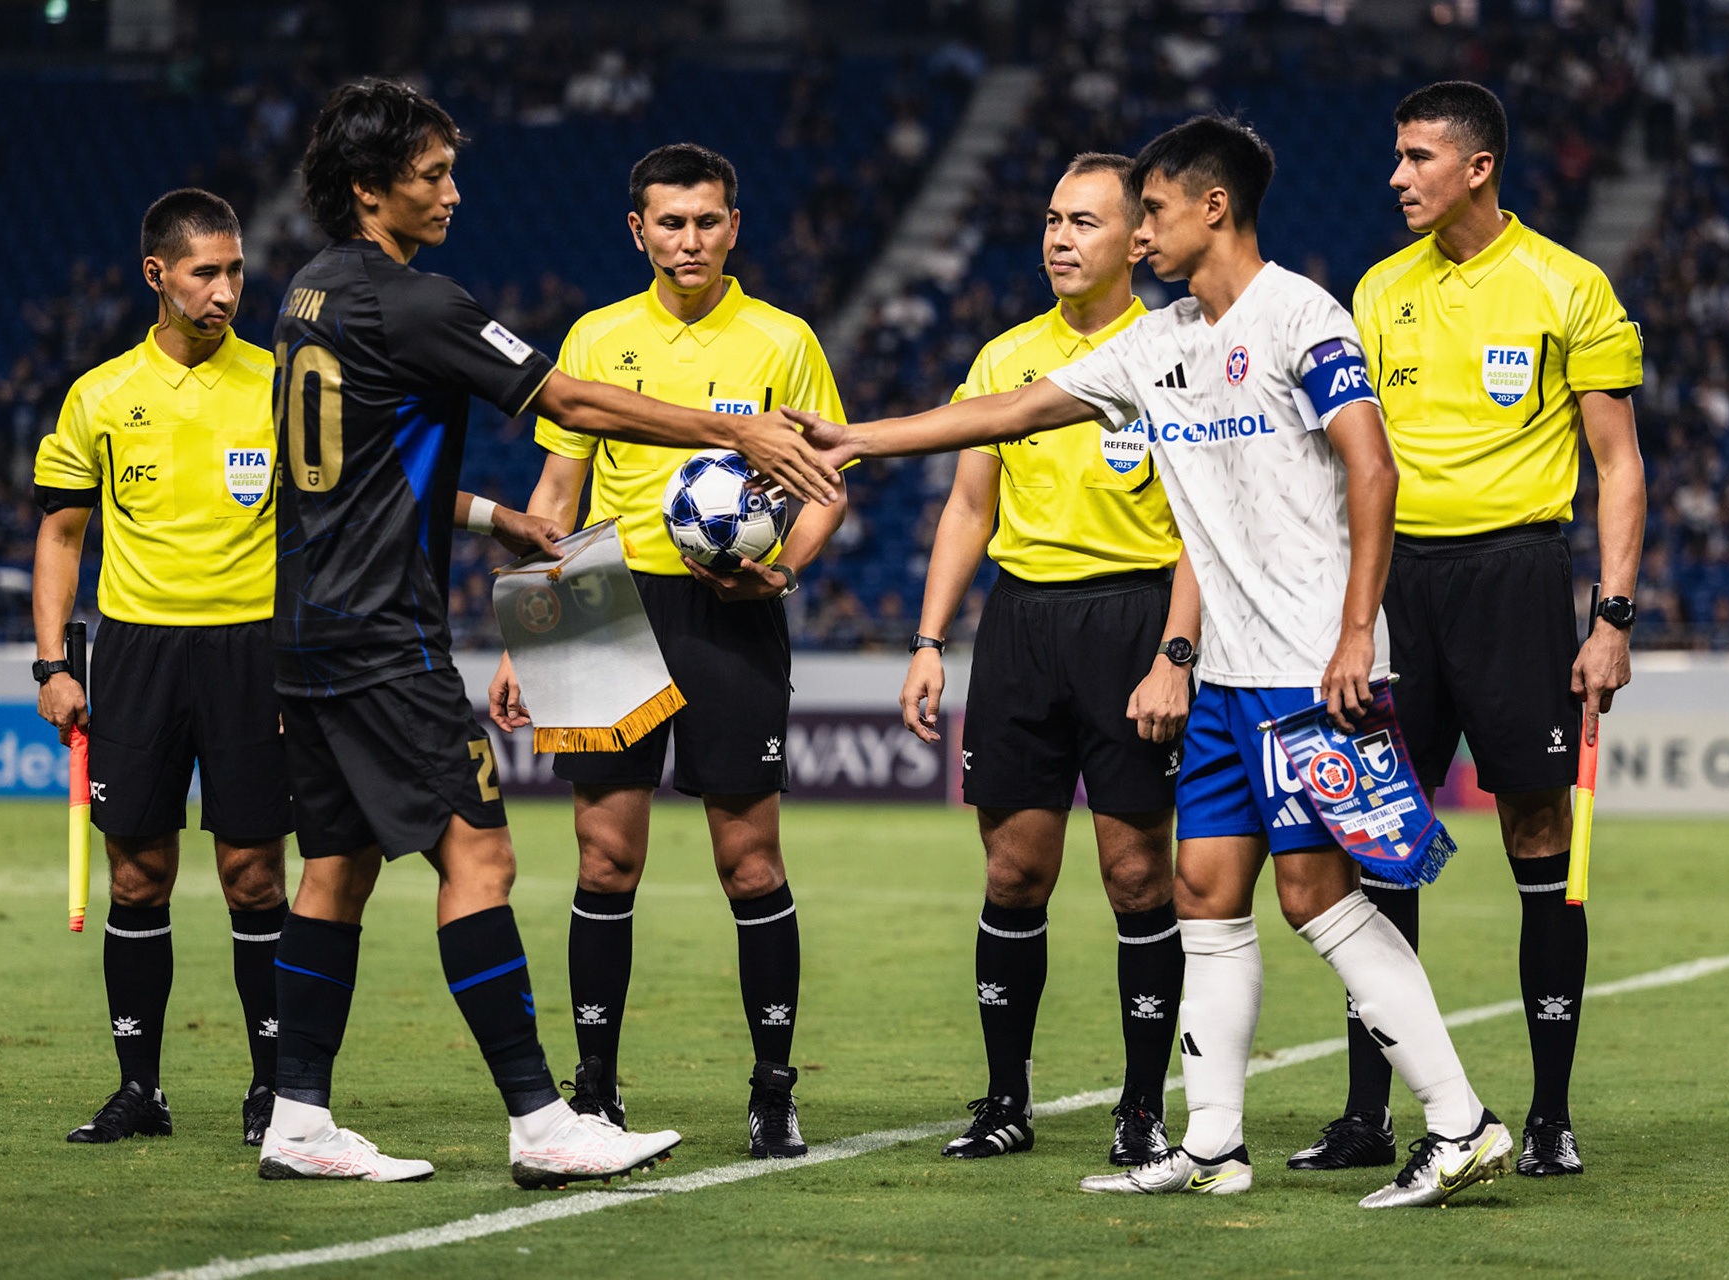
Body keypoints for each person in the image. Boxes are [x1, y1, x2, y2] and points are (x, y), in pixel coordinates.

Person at [798, 115, 1513, 1208]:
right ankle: (1214, 1142)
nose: (1140, 237)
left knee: (1316, 896)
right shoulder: (1160, 341)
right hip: (1224, 672)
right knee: (1203, 893)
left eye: (1157, 213)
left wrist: (1358, 631)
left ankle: (1460, 1121)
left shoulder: (1299, 316)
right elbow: (1015, 407)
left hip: (1304, 666)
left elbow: (1373, 470)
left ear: (1212, 206)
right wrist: (859, 436)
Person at [259, 78, 837, 1187]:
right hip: (399, 632)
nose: (452, 191)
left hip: (307, 628)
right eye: (432, 174)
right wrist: (728, 429)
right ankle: (546, 1114)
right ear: (370, 188)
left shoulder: (304, 298)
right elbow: (568, 409)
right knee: (484, 851)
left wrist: (494, 521)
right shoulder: (419, 301)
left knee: (332, 865)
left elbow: (353, 464)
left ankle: (299, 1112)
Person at [1290, 81, 1645, 1181]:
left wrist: (1612, 617)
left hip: (1517, 576)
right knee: (1377, 835)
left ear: (1476, 167)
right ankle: (1367, 1115)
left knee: (1539, 837)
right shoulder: (1376, 288)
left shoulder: (1567, 286)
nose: (1396, 177)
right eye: (1396, 158)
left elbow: (1619, 464)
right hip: (1397, 584)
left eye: (1416, 157)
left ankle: (1549, 1113)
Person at [487, 143, 848, 1159]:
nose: (690, 239)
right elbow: (556, 497)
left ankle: (773, 1089)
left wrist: (782, 573)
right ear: (636, 230)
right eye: (670, 222)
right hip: (598, 596)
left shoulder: (783, 340)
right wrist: (525, 630)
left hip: (729, 608)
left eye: (707, 220)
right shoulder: (595, 338)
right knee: (605, 859)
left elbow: (831, 484)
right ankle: (593, 1092)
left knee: (749, 861)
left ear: (735, 225)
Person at [899, 153, 1193, 1166]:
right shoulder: (1002, 356)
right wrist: (931, 639)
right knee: (1015, 868)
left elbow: (1202, 528)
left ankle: (1143, 1104)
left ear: (1136, 241)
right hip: (1022, 625)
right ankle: (1004, 1098)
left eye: (1086, 221)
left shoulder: (1174, 352)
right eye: (1053, 218)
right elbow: (969, 507)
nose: (1061, 238)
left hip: (1134, 618)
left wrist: (1175, 652)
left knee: (1134, 873)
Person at [32, 188, 290, 1148]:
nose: (226, 291)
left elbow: (317, 534)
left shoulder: (276, 384)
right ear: (157, 275)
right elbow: (61, 536)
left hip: (251, 651)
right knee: (136, 876)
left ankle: (274, 1090)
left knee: (254, 875)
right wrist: (53, 663)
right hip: (137, 654)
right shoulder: (100, 395)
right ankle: (139, 1091)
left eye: (234, 272)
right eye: (205, 273)